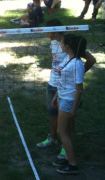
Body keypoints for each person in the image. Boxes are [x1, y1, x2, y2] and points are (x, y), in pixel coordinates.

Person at [37, 20, 95, 169]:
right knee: (52, 112)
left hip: (67, 90)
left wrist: (76, 76)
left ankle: (66, 148)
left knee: (67, 120)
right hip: (54, 84)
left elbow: (91, 59)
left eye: (48, 31)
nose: (46, 33)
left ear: (56, 31)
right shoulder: (54, 42)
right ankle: (53, 138)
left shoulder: (71, 42)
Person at [51, 34, 90, 175]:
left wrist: (74, 109)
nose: (60, 45)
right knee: (66, 131)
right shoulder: (68, 58)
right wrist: (56, 96)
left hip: (69, 100)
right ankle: (67, 157)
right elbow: (63, 80)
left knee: (61, 132)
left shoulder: (77, 64)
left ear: (68, 46)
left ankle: (72, 164)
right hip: (62, 97)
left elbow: (79, 88)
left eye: (62, 43)